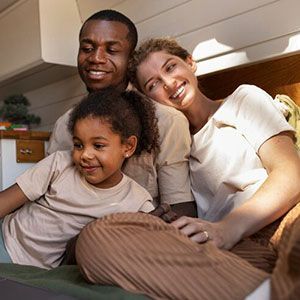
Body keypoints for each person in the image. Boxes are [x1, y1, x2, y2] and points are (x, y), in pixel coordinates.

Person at [127, 37, 300, 250]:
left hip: (280, 219)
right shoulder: (173, 149)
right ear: (149, 100)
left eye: (171, 67)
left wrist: (227, 229)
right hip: (227, 249)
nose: (169, 83)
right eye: (153, 84)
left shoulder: (243, 100)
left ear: (190, 63)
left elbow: (291, 173)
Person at [47, 10, 195, 216]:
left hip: (134, 238)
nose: (96, 58)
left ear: (129, 59)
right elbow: (49, 199)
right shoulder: (64, 126)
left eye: (112, 50)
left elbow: (180, 209)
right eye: (87, 48)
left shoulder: (166, 122)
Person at [0, 89, 158, 269]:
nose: (85, 155)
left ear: (128, 146)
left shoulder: (138, 201)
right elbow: (5, 201)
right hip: (5, 239)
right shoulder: (59, 164)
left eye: (98, 146)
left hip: (36, 270)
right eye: (78, 145)